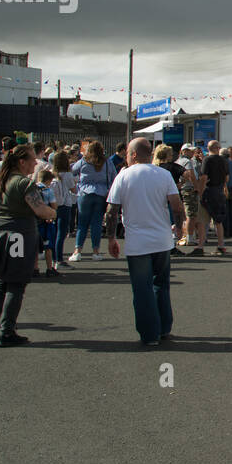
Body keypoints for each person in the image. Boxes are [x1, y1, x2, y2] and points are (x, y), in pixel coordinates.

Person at [0, 144, 55, 346]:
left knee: (1, 282)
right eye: (32, 160)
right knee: (16, 284)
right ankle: (7, 330)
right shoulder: (23, 184)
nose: (35, 163)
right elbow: (41, 210)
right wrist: (53, 213)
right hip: (18, 235)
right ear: (21, 162)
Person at [106, 138, 185, 346]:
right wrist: (179, 227)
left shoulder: (123, 176)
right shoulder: (164, 174)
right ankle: (164, 328)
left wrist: (112, 237)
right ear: (149, 154)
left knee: (142, 289)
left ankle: (149, 334)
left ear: (132, 155)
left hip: (137, 241)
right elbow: (176, 206)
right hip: (162, 239)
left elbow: (112, 211)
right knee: (161, 285)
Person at [69, 140, 110, 261]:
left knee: (82, 223)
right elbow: (113, 177)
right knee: (97, 223)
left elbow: (71, 171)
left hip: (84, 193)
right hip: (101, 194)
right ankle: (96, 252)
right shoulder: (107, 162)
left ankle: (78, 251)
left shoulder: (83, 161)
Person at [195, 139, 228, 256]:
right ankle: (221, 245)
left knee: (203, 220)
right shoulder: (224, 161)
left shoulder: (207, 160)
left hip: (209, 191)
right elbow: (226, 178)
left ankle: (200, 246)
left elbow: (204, 177)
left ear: (208, 148)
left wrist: (200, 191)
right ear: (217, 148)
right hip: (219, 191)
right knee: (218, 221)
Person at [154, 144, 187, 254]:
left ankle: (160, 245)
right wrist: (181, 183)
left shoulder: (155, 167)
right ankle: (171, 246)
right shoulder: (173, 167)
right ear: (168, 155)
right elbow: (187, 174)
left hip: (158, 198)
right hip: (172, 197)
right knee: (173, 223)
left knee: (160, 223)